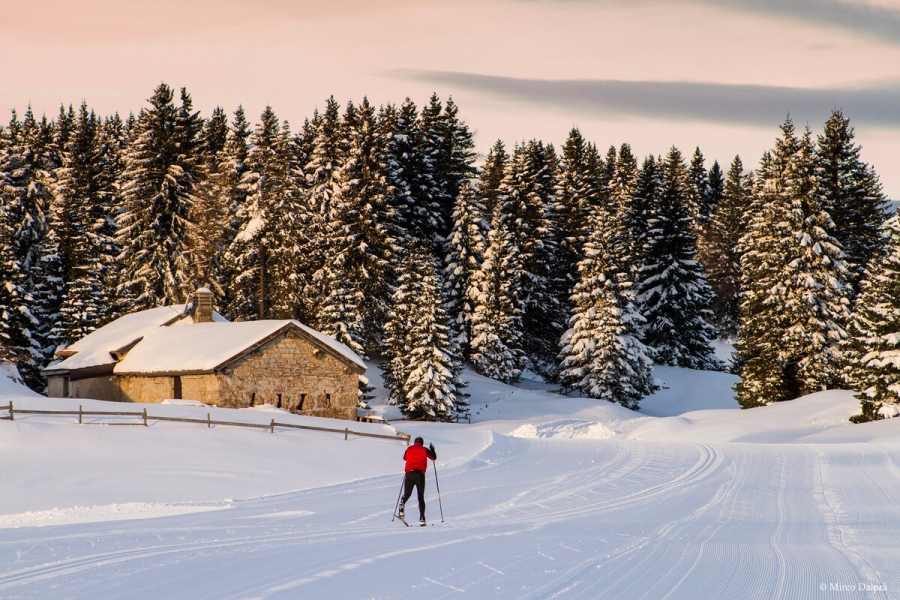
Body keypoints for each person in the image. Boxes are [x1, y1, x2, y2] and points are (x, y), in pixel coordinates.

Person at [399, 436, 436, 526]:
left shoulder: (409, 449)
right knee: (420, 497)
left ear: (415, 442)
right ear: (422, 443)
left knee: (407, 494)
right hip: (419, 475)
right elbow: (433, 458)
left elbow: (404, 458)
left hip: (409, 474)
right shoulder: (424, 449)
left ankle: (402, 503)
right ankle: (422, 518)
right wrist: (432, 449)